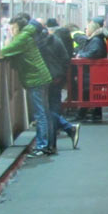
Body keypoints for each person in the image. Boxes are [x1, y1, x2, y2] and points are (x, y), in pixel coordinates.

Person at [1, 14, 53, 157]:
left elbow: (5, 50)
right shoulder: (27, 35)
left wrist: (7, 38)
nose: (11, 30)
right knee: (44, 112)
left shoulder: (23, 38)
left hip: (36, 79)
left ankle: (42, 146)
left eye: (12, 27)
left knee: (40, 113)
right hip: (40, 77)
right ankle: (48, 144)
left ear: (18, 27)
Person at [37, 19, 81, 152]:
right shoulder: (58, 40)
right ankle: (62, 135)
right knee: (53, 109)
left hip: (48, 79)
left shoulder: (45, 42)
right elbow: (65, 59)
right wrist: (61, 75)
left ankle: (62, 133)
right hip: (57, 78)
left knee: (46, 111)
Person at [76, 17, 108, 122]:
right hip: (95, 72)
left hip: (91, 72)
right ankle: (95, 114)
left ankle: (82, 114)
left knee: (87, 92)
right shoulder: (99, 39)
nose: (86, 30)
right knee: (94, 93)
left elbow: (94, 52)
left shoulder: (95, 40)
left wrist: (81, 55)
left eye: (87, 28)